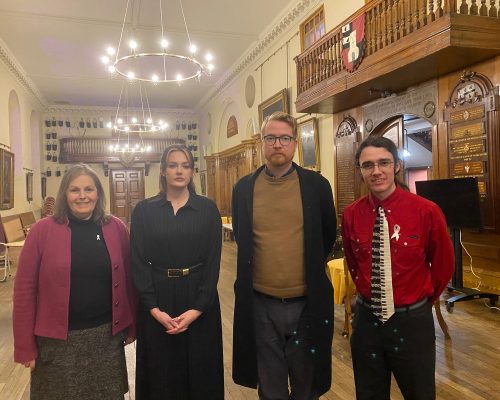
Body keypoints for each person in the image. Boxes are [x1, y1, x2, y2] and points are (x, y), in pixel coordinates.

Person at [231, 111, 337, 400]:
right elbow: (242, 236)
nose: (277, 144)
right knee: (270, 384)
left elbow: (327, 235)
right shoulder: (243, 189)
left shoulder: (317, 186)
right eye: (271, 138)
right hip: (261, 303)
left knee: (306, 381)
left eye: (284, 138)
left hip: (306, 302)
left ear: (294, 143)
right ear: (262, 143)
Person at [341, 136, 455, 399]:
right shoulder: (352, 214)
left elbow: (442, 266)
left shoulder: (427, 211)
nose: (376, 171)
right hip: (367, 322)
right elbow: (354, 263)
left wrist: (417, 303)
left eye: (383, 162)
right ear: (360, 171)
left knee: (420, 393)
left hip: (412, 323)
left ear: (396, 166)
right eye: (367, 165)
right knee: (369, 393)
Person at [13, 163, 136, 400]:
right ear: (64, 195)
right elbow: (24, 291)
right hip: (57, 344)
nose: (82, 196)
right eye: (75, 190)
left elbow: (129, 279)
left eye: (89, 189)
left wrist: (132, 325)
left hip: (105, 339)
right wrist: (25, 346)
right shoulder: (42, 231)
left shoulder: (116, 228)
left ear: (98, 193)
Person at [131, 144, 224, 400]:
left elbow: (212, 262)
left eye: (185, 165)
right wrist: (153, 309)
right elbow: (138, 261)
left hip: (198, 298)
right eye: (173, 165)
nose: (179, 171)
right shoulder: (144, 211)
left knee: (201, 371)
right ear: (162, 171)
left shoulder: (207, 210)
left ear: (192, 171)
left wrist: (197, 309)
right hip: (158, 297)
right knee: (160, 372)